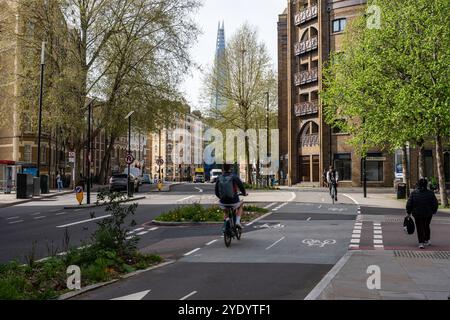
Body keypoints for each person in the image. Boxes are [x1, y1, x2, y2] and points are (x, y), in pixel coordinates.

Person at [406, 178, 438, 249]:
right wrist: (433, 211)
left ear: (418, 184)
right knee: (426, 225)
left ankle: (421, 242)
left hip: (417, 213)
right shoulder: (430, 193)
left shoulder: (414, 193)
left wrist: (408, 212)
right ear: (426, 184)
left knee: (419, 227)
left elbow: (409, 204)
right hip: (428, 213)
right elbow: (435, 203)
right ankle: (427, 239)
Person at [215, 163, 247, 230]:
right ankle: (237, 222)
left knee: (225, 210)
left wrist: (221, 198)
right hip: (233, 201)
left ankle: (227, 220)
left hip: (223, 202)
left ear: (222, 169)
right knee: (241, 204)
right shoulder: (234, 177)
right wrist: (244, 193)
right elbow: (241, 186)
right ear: (230, 169)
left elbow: (216, 192)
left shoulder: (219, 178)